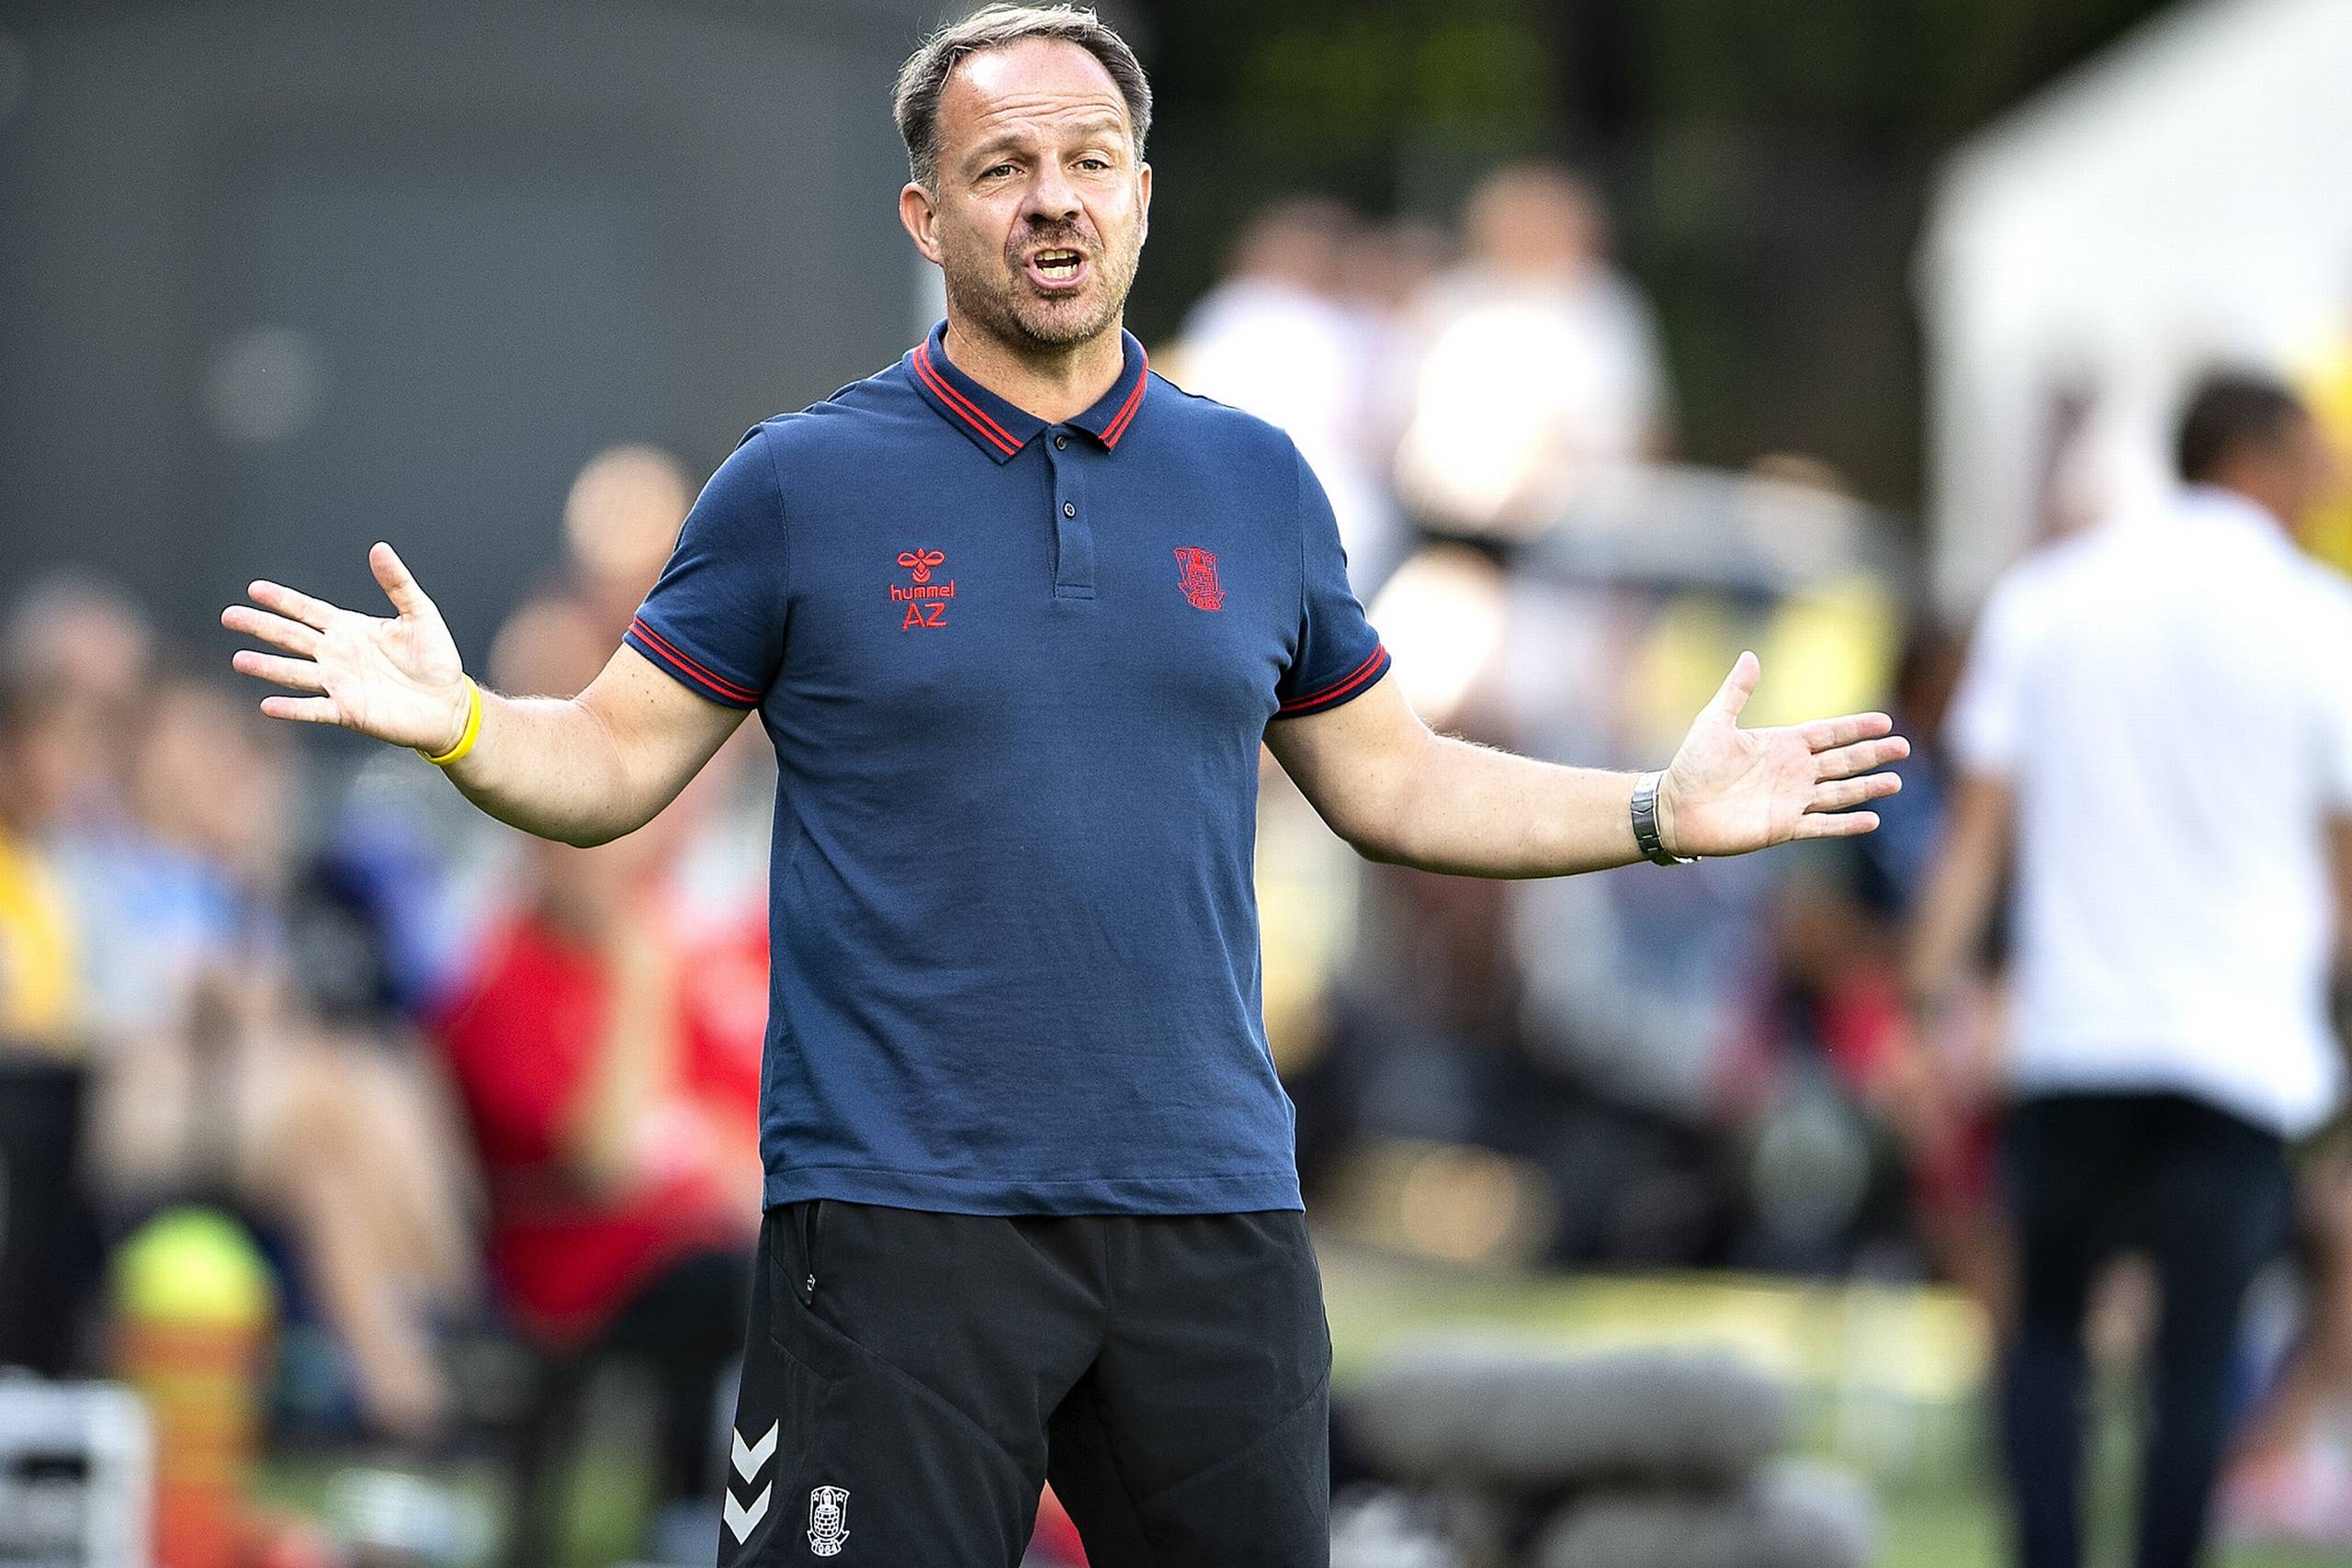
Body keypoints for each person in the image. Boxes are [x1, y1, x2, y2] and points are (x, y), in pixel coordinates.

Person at [220, 6, 1905, 1561]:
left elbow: (1394, 784)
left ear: (1144, 197)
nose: (1052, 200)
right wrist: (458, 719)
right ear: (923, 215)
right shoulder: (799, 486)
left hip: (1210, 1214)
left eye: (1088, 161)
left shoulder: (1253, 483)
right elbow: (605, 765)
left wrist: (1654, 813)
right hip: (895, 1226)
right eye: (1002, 166)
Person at [1905, 370, 2352, 1568]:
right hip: (2242, 1041)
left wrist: (1930, 998)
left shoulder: (2051, 599)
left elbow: (1977, 835)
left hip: (2077, 1030)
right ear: (2258, 459)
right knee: (2195, 1357)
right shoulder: (2323, 618)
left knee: (2045, 1329)